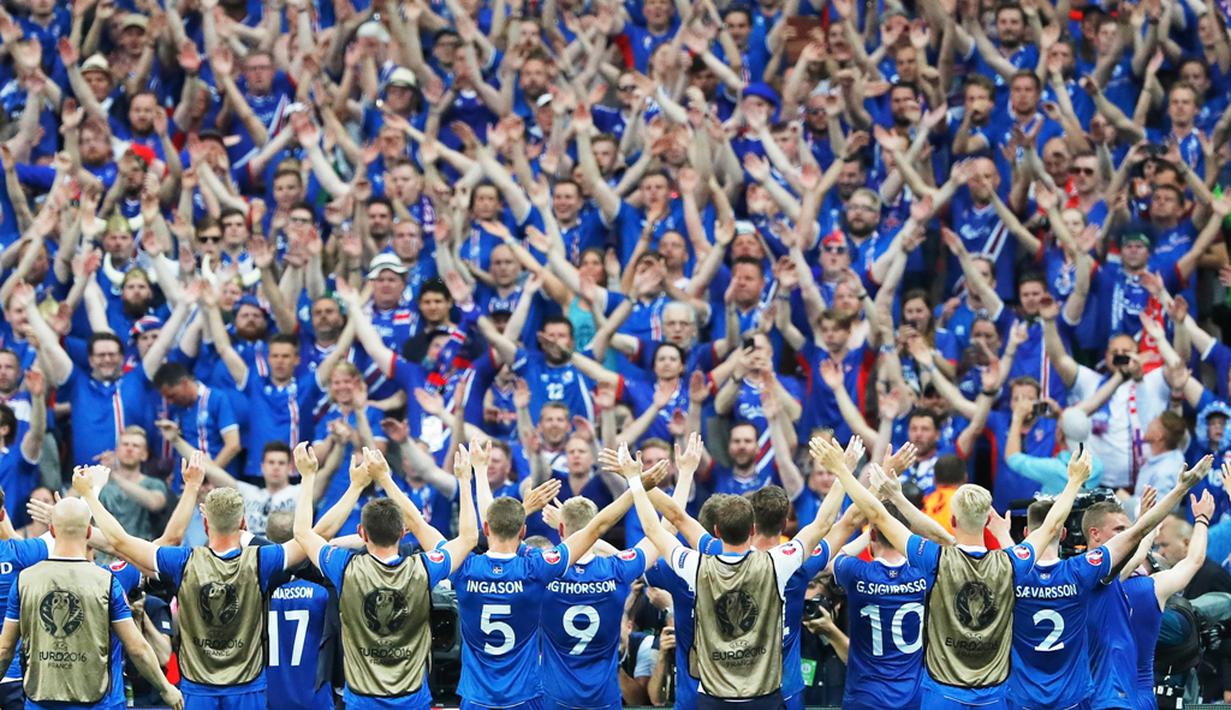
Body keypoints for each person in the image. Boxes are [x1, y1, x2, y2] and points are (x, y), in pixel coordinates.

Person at [813, 436, 1089, 708]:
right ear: (987, 520)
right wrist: (1074, 481)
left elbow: (878, 515)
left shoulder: (937, 559)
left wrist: (842, 470)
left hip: (942, 696)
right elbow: (1052, 526)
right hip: (992, 696)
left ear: (954, 519)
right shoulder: (1011, 562)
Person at [626, 441, 846, 708]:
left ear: (716, 532)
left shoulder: (696, 565)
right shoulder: (778, 564)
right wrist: (843, 472)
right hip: (765, 695)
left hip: (711, 696)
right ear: (751, 530)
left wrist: (637, 481)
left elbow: (661, 526)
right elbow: (824, 524)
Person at [77, 454, 307, 709]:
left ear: (205, 523)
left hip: (197, 690)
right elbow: (306, 538)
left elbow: (119, 541)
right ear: (243, 524)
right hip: (248, 688)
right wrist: (307, 477)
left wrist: (89, 495)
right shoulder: (261, 560)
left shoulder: (182, 562)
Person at [452, 439, 647, 708]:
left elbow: (493, 529)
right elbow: (601, 529)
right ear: (523, 531)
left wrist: (477, 474)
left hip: (502, 696)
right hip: (595, 698)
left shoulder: (530, 565)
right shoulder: (547, 569)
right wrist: (637, 484)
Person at [293, 443, 478, 708]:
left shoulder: (343, 567)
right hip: (413, 698)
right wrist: (386, 479)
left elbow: (302, 532)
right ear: (404, 533)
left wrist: (310, 477)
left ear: (361, 533)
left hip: (362, 699)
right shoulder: (424, 568)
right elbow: (468, 537)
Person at [0, 494, 183, 710]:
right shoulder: (108, 581)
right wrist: (165, 688)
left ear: (51, 531)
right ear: (89, 533)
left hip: (41, 701)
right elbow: (137, 648)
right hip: (101, 703)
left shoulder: (25, 581)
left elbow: (5, 649)